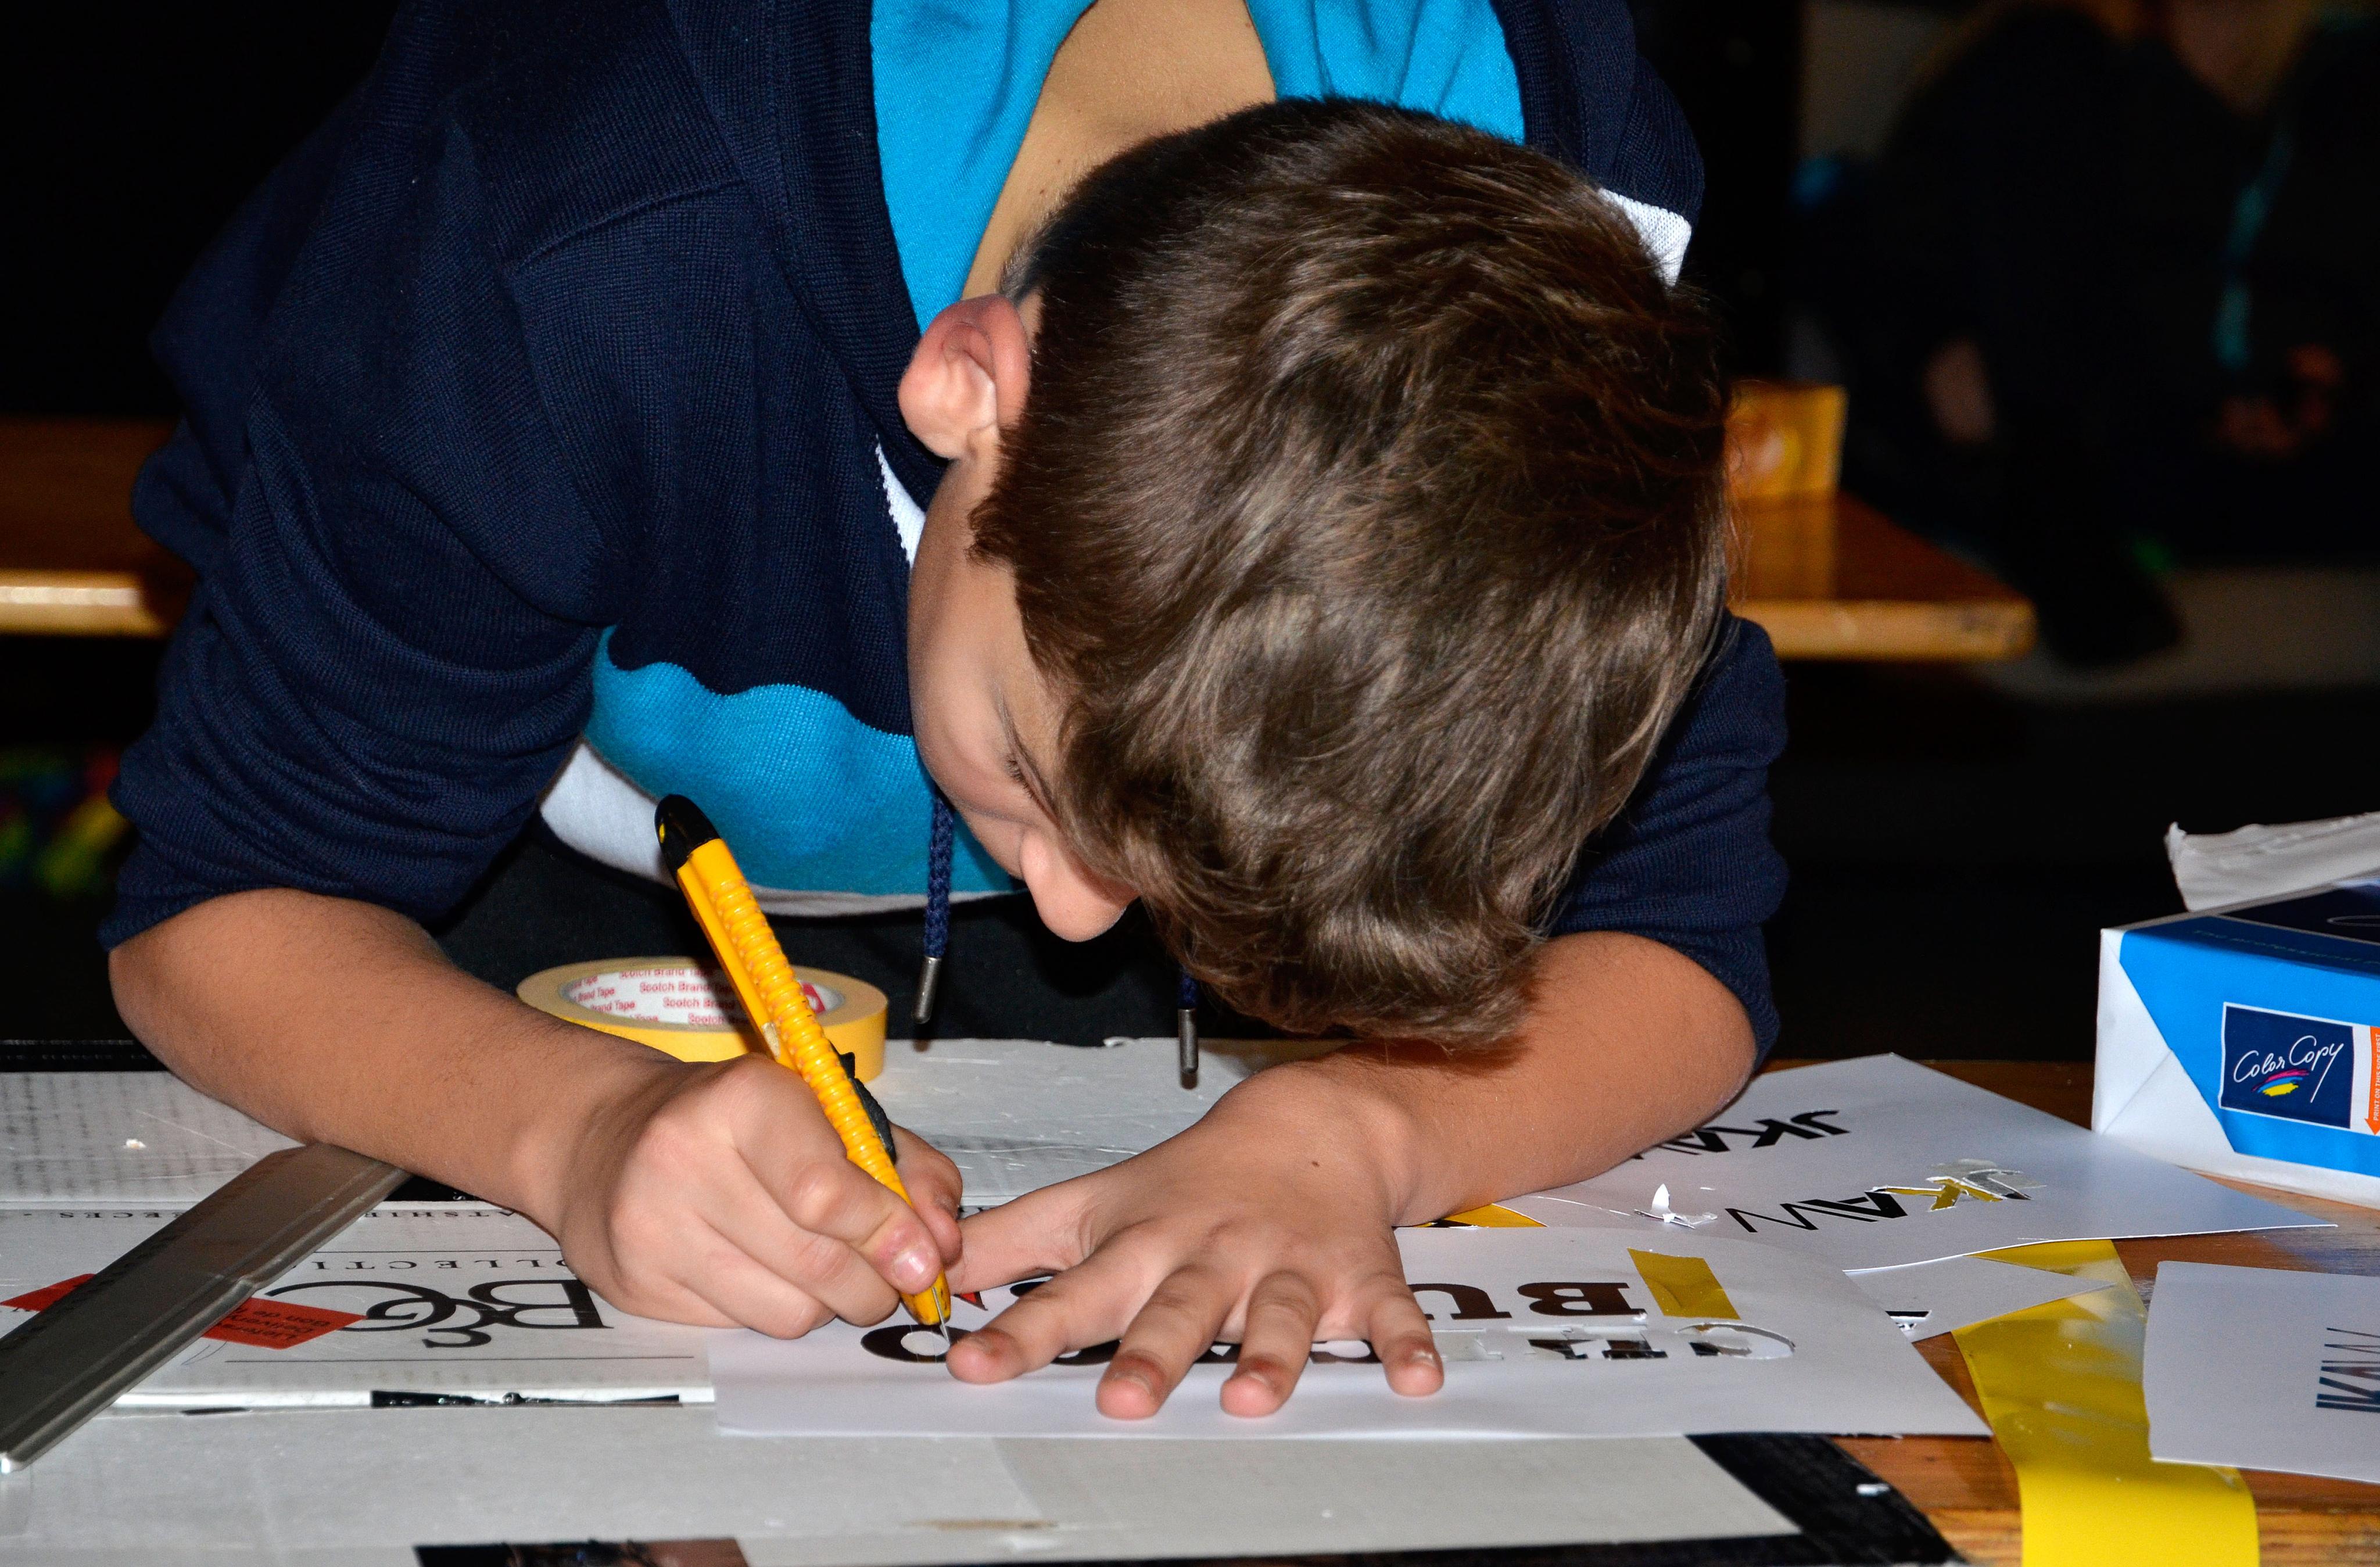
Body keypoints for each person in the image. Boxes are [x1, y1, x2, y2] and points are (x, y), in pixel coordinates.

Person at [105, 0, 1786, 1420]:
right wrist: (581, 1130)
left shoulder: (1568, 283)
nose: (1078, 917)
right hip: (518, 821)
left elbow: (1681, 932)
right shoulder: (574, 246)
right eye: (1041, 787)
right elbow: (220, 914)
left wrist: (1364, 1125)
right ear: (967, 387)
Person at [1829, 0, 2379, 666]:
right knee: (2047, 63)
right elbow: (1892, 251)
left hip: (2247, 450)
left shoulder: (2342, 76)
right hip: (2070, 437)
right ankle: (2056, 511)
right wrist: (1934, 343)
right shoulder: (2054, 58)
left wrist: (2327, 386)